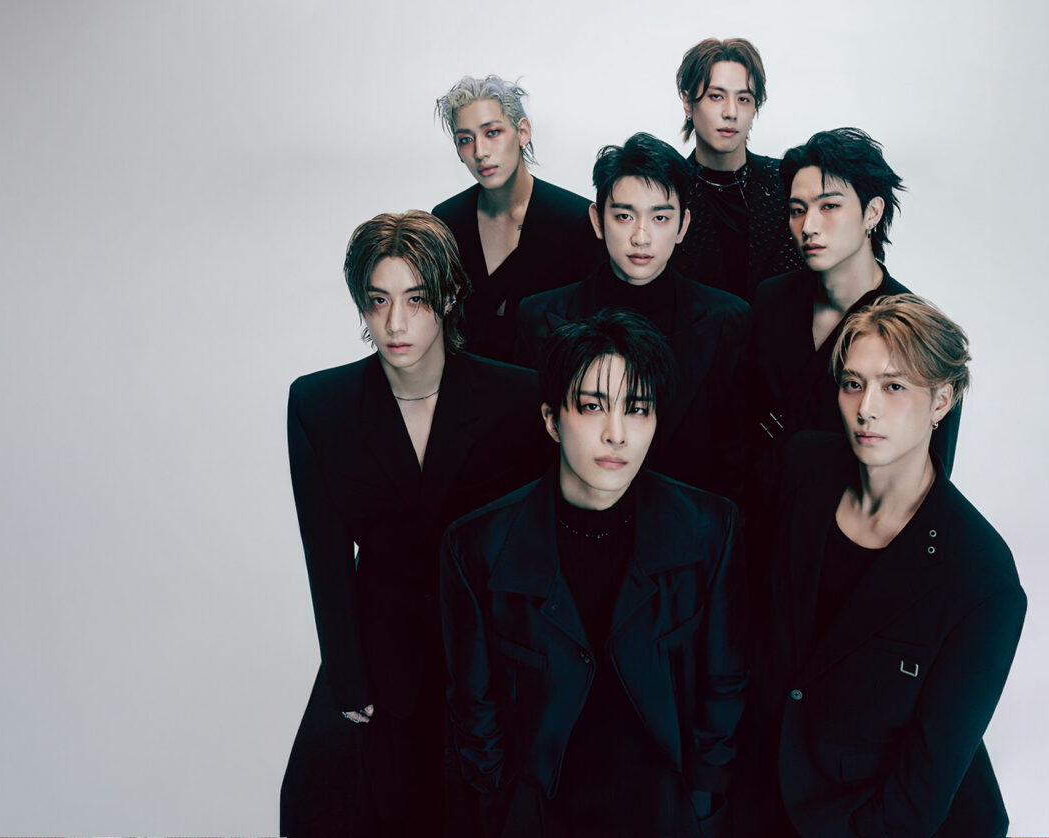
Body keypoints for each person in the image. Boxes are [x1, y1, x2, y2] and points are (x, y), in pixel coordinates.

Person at [280, 211, 549, 837]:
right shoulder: (319, 404)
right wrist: (348, 677)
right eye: (378, 301)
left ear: (448, 298)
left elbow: (533, 545)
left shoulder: (516, 397)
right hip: (382, 654)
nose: (395, 323)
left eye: (416, 299)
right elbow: (325, 556)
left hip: (486, 650)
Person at [441, 310, 746, 837]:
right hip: (542, 812)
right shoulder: (477, 546)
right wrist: (501, 804)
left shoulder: (709, 528)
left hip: (667, 810)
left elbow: (724, 681)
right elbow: (475, 703)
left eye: (638, 409)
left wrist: (701, 801)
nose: (616, 434)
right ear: (551, 420)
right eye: (592, 406)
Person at [761, 295, 1026, 837]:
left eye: (894, 387)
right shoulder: (803, 468)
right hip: (785, 786)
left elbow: (921, 790)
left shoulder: (982, 577)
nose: (866, 408)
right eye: (853, 383)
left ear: (941, 401)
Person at [515, 132, 752, 496]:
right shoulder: (539, 318)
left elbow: (737, 458)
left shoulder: (729, 320)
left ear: (683, 226)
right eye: (624, 216)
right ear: (598, 220)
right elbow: (531, 451)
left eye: (660, 217)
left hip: (691, 522)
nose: (641, 237)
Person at [752, 127, 962, 477]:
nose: (808, 226)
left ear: (872, 213)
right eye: (797, 210)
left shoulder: (915, 328)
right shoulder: (771, 297)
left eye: (829, 206)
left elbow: (930, 475)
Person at [432, 75, 604, 363]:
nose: (480, 152)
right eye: (466, 140)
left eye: (492, 132)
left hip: (546, 386)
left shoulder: (575, 220)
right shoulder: (447, 221)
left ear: (522, 132)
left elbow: (594, 334)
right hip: (464, 384)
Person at [667, 37, 802, 300]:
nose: (731, 112)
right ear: (687, 101)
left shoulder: (786, 181)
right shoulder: (670, 191)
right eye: (716, 96)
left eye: (743, 99)